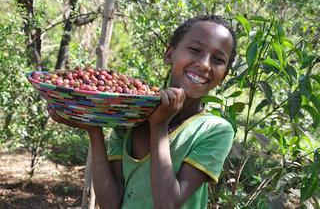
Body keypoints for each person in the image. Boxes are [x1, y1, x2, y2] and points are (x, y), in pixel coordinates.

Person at [48, 14, 237, 209]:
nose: (205, 64)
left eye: (218, 60)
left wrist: (159, 125)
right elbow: (111, 204)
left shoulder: (215, 130)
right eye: (195, 50)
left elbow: (168, 205)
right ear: (169, 55)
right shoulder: (130, 114)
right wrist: (94, 130)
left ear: (223, 76)